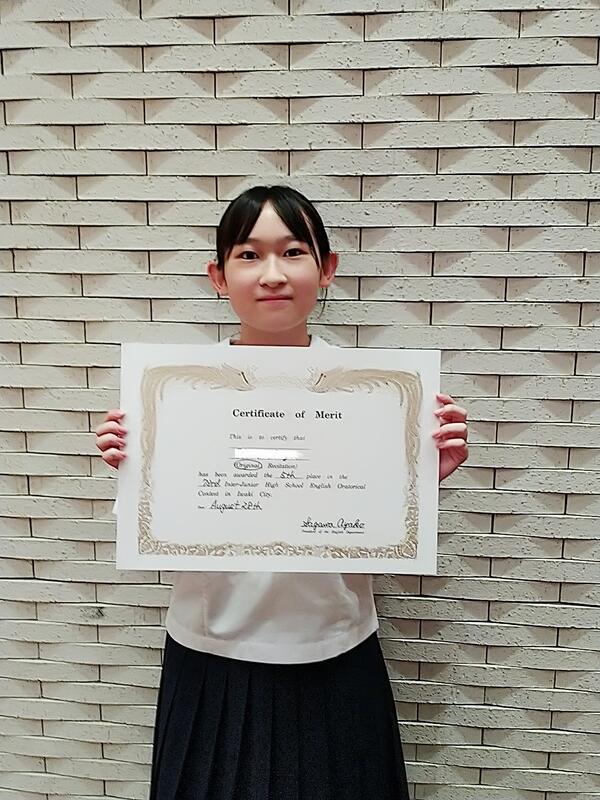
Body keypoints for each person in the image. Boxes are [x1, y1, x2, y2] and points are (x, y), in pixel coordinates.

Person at [95, 185, 468, 800]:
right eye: (249, 255)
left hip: (338, 653)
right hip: (211, 656)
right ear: (219, 277)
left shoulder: (377, 394)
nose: (272, 274)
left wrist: (423, 477)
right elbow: (159, 531)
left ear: (327, 268)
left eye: (293, 252)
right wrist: (134, 466)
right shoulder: (174, 393)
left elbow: (376, 519)